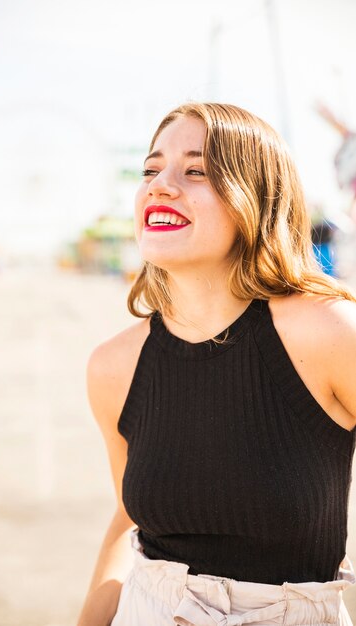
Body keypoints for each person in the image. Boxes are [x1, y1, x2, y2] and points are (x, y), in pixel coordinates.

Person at [77, 102, 356, 626]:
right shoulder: (111, 366)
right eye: (151, 169)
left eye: (196, 170)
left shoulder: (332, 332)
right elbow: (128, 520)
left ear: (257, 197)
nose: (160, 184)